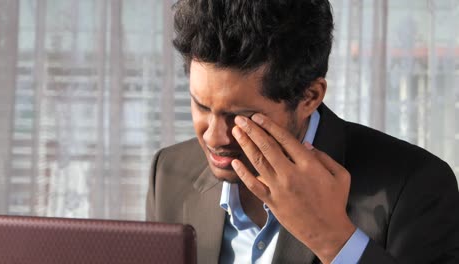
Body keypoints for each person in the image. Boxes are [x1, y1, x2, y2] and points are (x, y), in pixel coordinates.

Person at [146, 0, 459, 263]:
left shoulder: (416, 187)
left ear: (309, 97)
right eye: (201, 106)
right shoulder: (168, 174)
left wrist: (334, 240)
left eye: (240, 116)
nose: (214, 137)